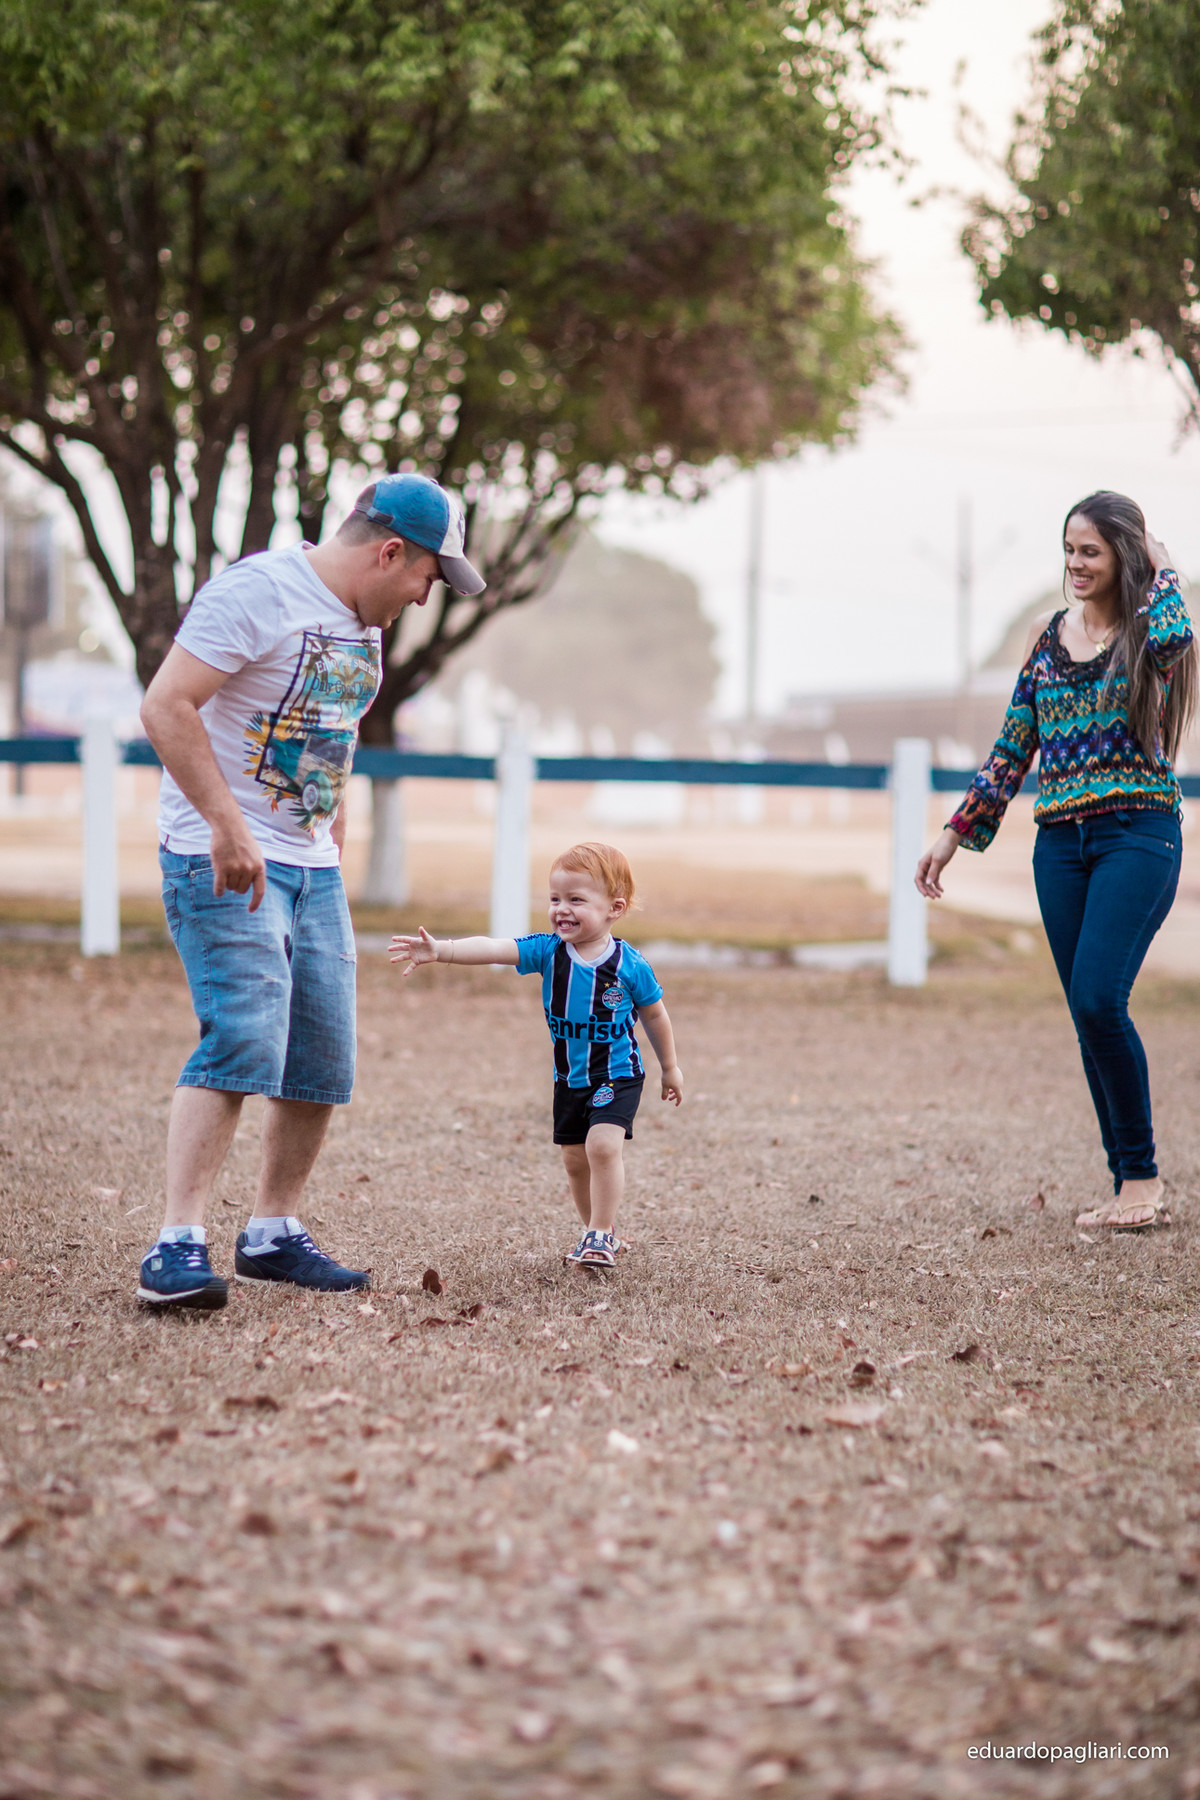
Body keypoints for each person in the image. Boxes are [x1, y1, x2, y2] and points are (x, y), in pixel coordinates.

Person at [136, 474, 485, 1308]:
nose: (422, 598)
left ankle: (272, 1233)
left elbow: (337, 722)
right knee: (244, 1036)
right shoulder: (258, 592)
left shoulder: (363, 623)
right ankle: (176, 1244)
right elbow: (166, 706)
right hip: (220, 856)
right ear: (390, 551)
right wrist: (227, 825)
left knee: (321, 1057)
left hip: (310, 867)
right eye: (426, 580)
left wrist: (334, 832)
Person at [916, 491, 1196, 1232]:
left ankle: (1142, 1182)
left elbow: (1175, 636)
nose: (1075, 564)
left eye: (1092, 551)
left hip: (1137, 834)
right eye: (1069, 550)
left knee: (1102, 999)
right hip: (1059, 846)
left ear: (1123, 555)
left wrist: (1161, 564)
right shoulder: (1048, 640)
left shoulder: (1148, 635)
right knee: (1086, 1013)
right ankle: (1125, 1181)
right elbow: (1012, 748)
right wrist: (954, 834)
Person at [390, 842, 683, 1268]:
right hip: (569, 1080)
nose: (561, 909)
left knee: (602, 1147)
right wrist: (443, 951)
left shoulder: (629, 965)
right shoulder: (548, 951)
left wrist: (670, 1067)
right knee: (574, 1160)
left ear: (614, 908)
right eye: (555, 898)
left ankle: (600, 1233)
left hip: (616, 1075)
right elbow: (495, 948)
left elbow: (656, 1015)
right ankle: (597, 1232)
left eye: (576, 900)